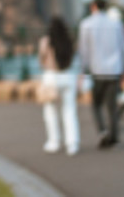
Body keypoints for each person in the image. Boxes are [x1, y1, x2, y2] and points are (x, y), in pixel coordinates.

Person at [79, 0, 124, 149]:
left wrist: (82, 71)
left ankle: (103, 132)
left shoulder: (86, 24)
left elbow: (84, 51)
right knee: (112, 106)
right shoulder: (116, 24)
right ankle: (114, 136)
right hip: (114, 70)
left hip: (97, 71)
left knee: (96, 105)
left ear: (93, 6)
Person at [38, 16, 80, 155]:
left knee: (50, 112)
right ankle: (72, 144)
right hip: (68, 76)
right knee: (70, 111)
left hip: (52, 77)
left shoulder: (46, 41)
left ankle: (54, 142)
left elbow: (41, 60)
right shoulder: (70, 41)